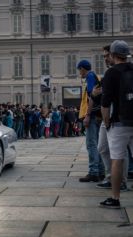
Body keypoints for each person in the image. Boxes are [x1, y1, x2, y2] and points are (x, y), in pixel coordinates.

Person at [99, 40, 133, 208]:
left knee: (117, 160)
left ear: (113, 55)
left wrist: (107, 123)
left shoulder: (111, 73)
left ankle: (115, 198)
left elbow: (105, 104)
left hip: (119, 122)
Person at [96, 45, 128, 191]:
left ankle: (120, 181)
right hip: (110, 117)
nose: (105, 59)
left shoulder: (114, 72)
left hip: (115, 116)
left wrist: (107, 120)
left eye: (106, 56)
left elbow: (106, 99)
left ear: (113, 55)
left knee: (120, 152)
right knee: (102, 147)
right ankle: (112, 177)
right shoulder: (110, 72)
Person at [77, 60, 105, 182]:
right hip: (98, 115)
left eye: (79, 70)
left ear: (83, 69)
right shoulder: (96, 76)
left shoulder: (89, 77)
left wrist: (87, 115)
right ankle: (100, 171)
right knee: (98, 144)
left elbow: (91, 98)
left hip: (93, 115)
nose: (79, 73)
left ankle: (94, 172)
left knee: (91, 144)